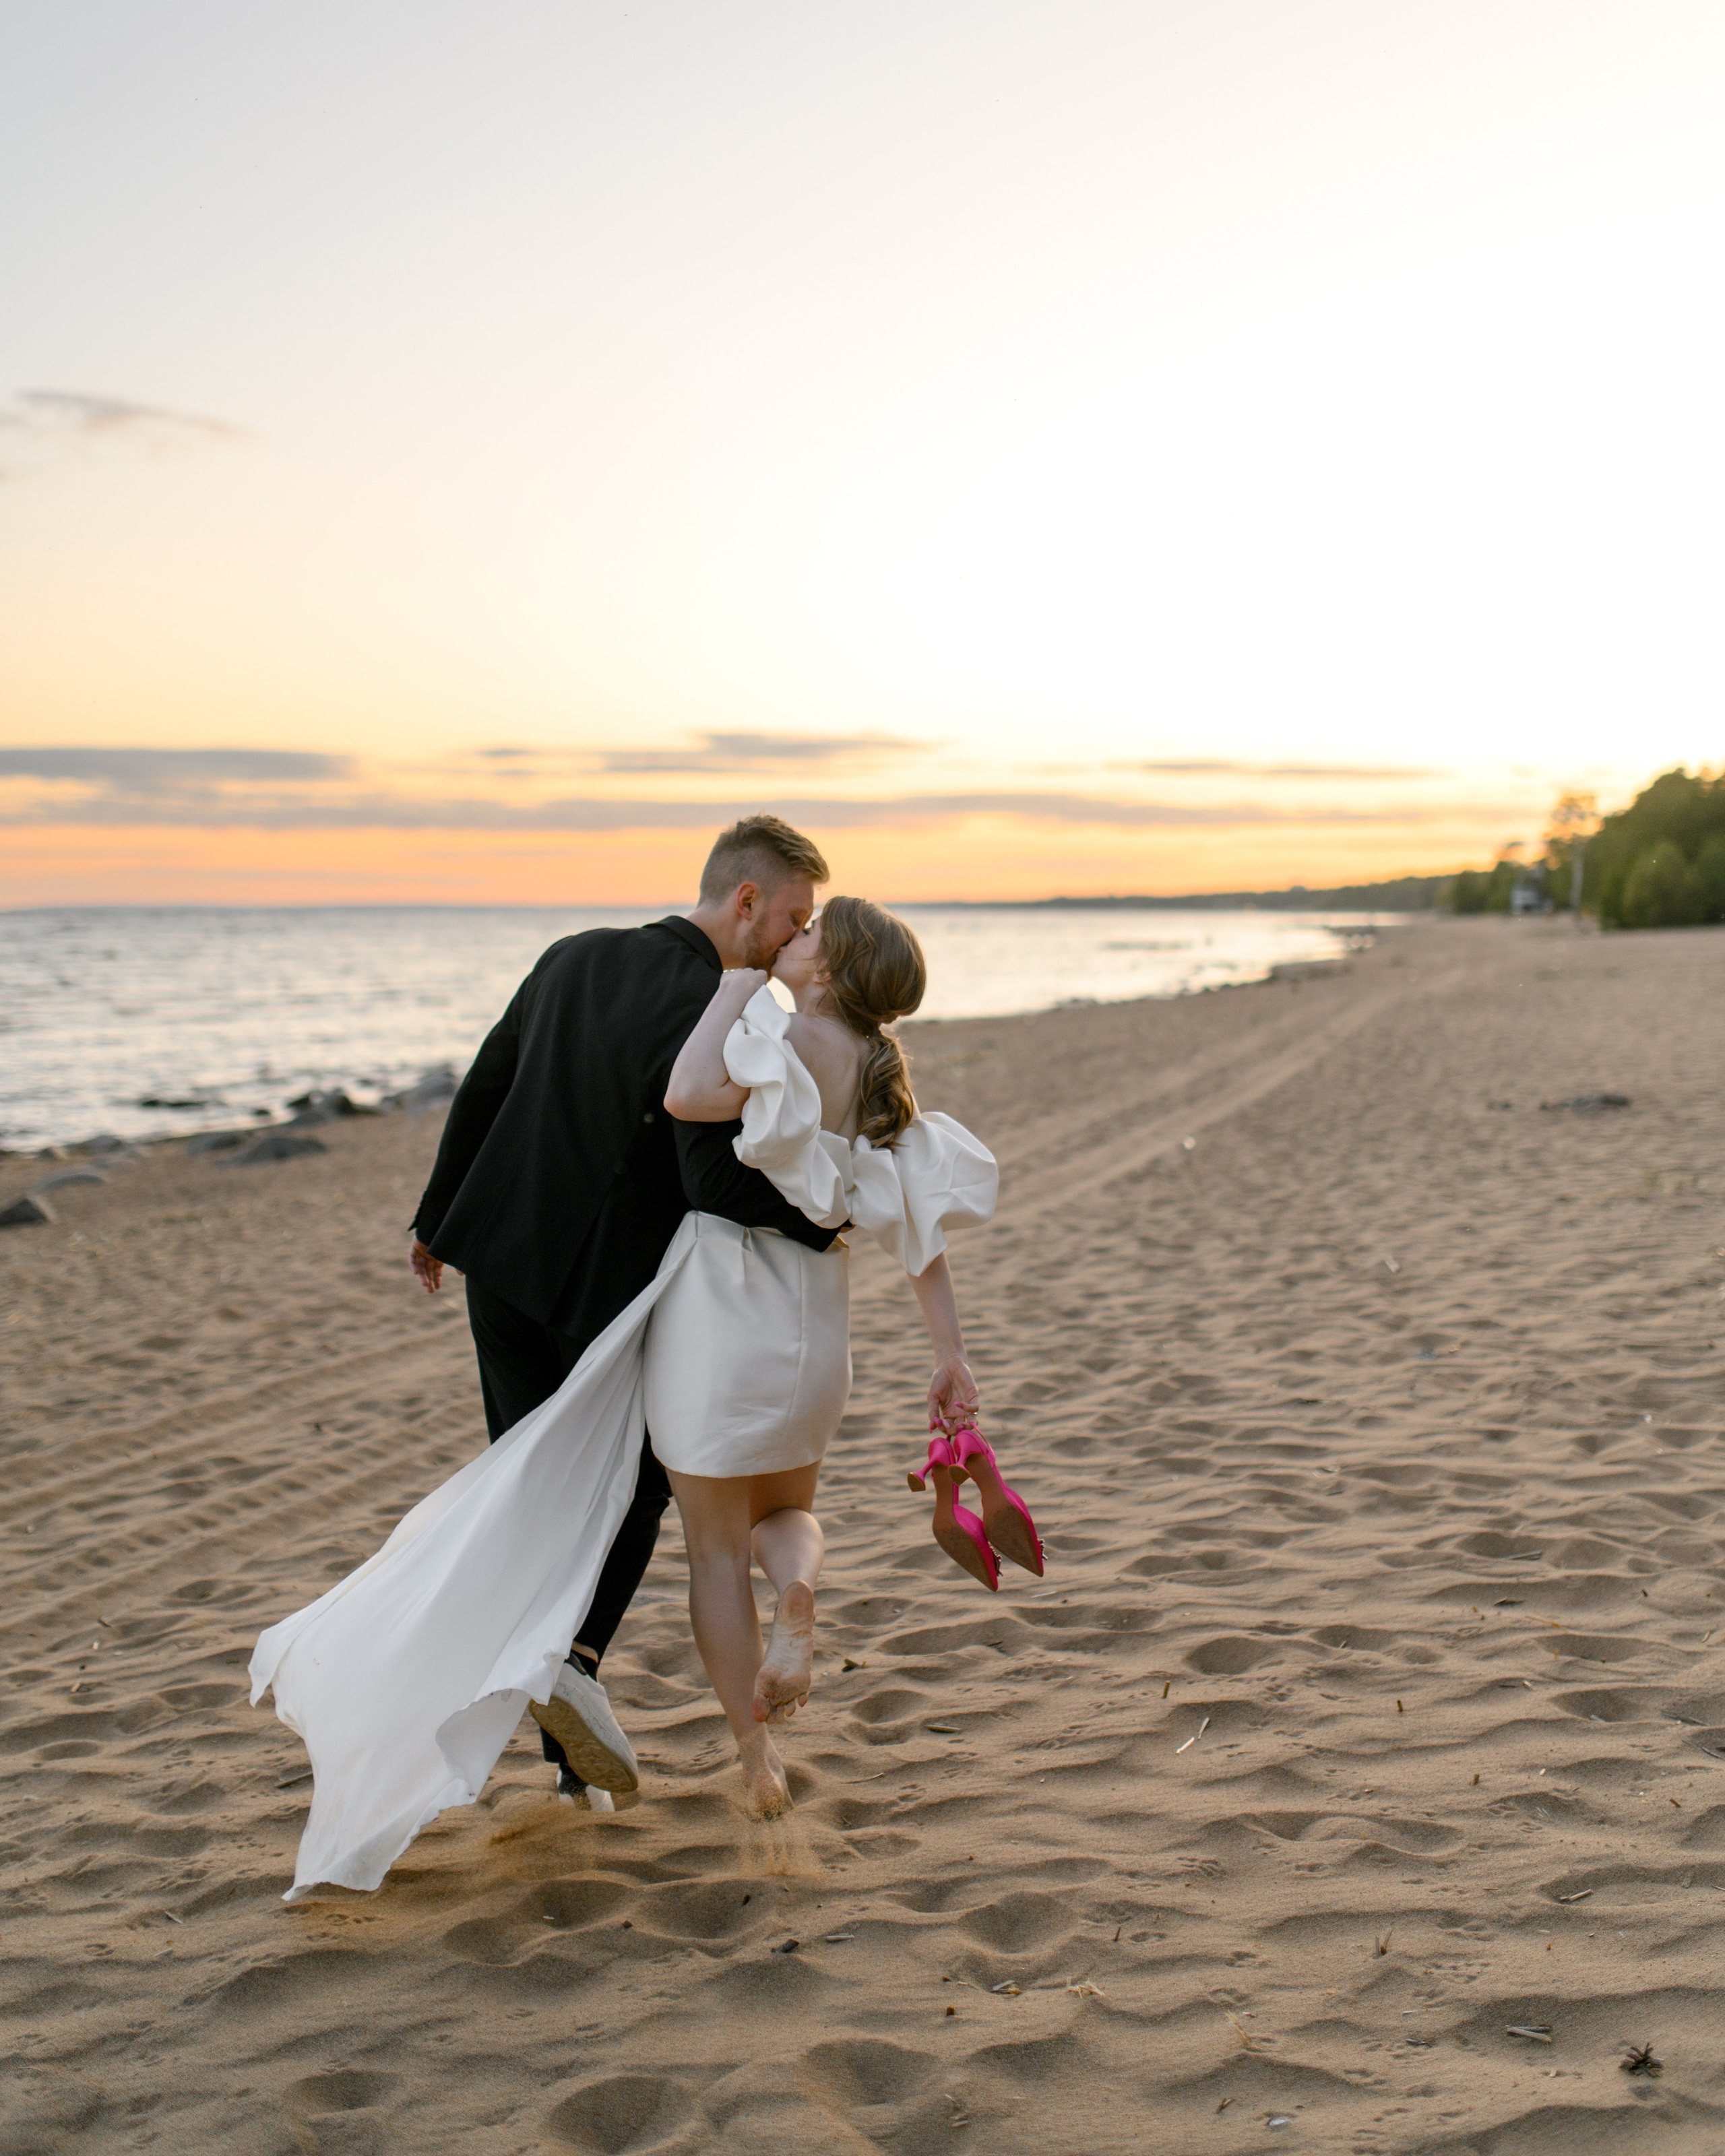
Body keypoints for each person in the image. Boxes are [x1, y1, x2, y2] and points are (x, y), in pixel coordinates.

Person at [249, 896, 1001, 1898]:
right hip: (817, 1332)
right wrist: (951, 1355)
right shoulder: (882, 1081)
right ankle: (799, 1593)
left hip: (724, 1316)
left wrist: (734, 984)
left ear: (828, 969)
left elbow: (687, 1096)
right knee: (785, 1516)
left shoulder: (770, 1034)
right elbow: (919, 1232)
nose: (794, 938)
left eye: (812, 934)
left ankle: (758, 1760)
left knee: (715, 1552)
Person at [404, 814, 837, 1806]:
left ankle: (566, 1739)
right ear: (746, 902)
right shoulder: (721, 1013)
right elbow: (711, 1181)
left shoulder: (571, 956)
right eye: (792, 917)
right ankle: (573, 1671)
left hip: (500, 1273)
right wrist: (831, 1219)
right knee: (631, 1494)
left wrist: (436, 1219)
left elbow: (487, 1083)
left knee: (530, 1491)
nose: (794, 939)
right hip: (600, 1296)